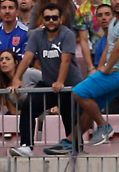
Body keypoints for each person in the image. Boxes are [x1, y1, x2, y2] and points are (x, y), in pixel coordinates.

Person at [8, 3, 82, 157]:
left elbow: (66, 61)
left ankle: (75, 146)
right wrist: (16, 79)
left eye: (54, 18)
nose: (51, 21)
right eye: (47, 18)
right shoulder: (36, 35)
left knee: (69, 117)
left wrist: (60, 81)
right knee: (28, 107)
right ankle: (26, 145)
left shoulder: (67, 34)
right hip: (48, 84)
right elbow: (27, 57)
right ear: (42, 19)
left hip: (69, 85)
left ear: (60, 19)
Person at [68, 0, 119, 150]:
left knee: (78, 92)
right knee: (91, 106)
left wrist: (107, 69)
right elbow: (109, 46)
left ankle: (103, 126)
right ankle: (71, 141)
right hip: (114, 70)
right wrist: (101, 66)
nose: (117, 2)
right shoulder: (115, 20)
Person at [0, 48, 39, 115]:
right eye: (1, 59)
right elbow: (13, 111)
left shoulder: (28, 72)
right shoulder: (3, 84)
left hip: (45, 113)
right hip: (27, 118)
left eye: (7, 59)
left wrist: (56, 106)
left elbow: (50, 80)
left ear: (16, 62)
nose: (3, 62)